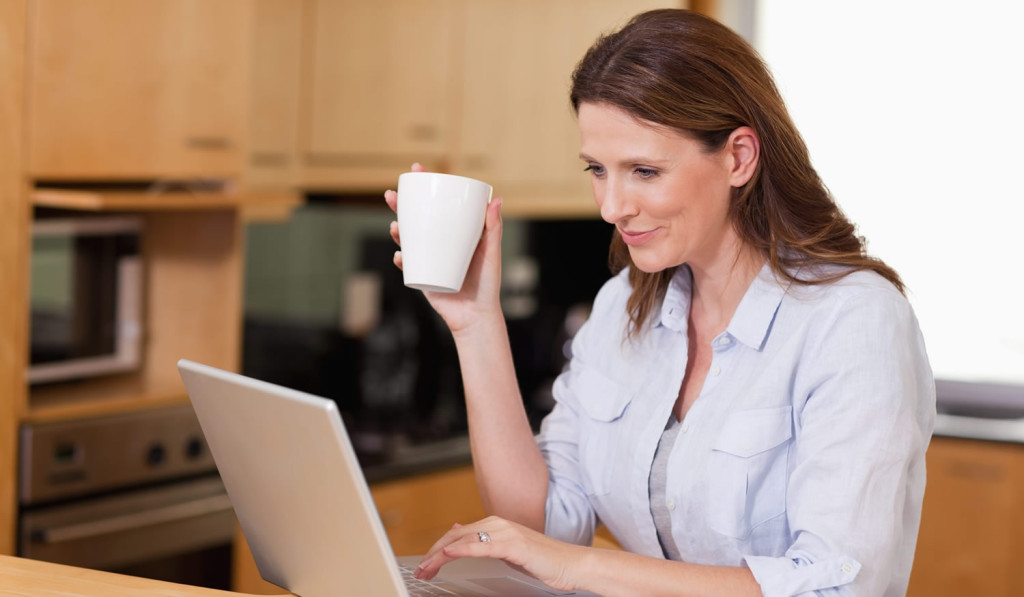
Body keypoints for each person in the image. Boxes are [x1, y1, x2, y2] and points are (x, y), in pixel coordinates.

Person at [384, 9, 934, 597]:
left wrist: (581, 567)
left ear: (739, 158)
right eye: (598, 169)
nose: (611, 207)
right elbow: (541, 523)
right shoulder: (623, 307)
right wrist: (475, 323)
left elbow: (836, 587)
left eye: (644, 171)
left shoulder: (853, 322)